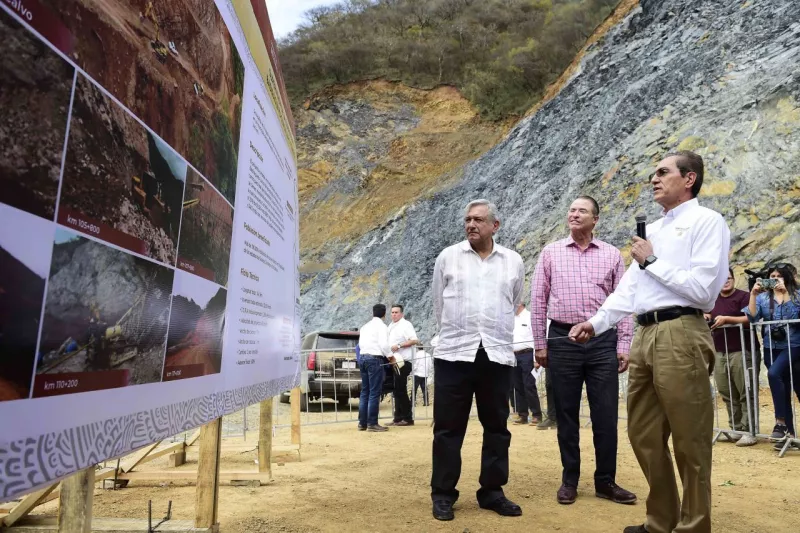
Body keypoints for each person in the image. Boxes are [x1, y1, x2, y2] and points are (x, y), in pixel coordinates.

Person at [569, 151, 731, 533]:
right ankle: (661, 521)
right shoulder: (653, 232)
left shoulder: (708, 222)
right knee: (642, 432)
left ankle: (693, 526)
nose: (654, 179)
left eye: (663, 172)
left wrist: (653, 261)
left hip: (682, 331)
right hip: (644, 333)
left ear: (689, 179)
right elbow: (629, 289)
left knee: (690, 439)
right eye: (653, 174)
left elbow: (705, 290)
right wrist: (596, 322)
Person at [531, 195, 636, 506]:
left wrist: (624, 343)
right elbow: (538, 300)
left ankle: (605, 481)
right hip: (562, 340)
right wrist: (540, 343)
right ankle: (570, 480)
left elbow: (624, 303)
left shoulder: (612, 255)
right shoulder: (550, 253)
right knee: (565, 414)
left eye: (582, 211)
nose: (574, 215)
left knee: (605, 414)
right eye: (572, 210)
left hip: (602, 341)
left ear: (595, 220)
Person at [430, 199, 525, 521]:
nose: (471, 225)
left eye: (479, 220)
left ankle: (492, 492)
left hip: (496, 354)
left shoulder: (512, 261)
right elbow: (438, 307)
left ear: (494, 226)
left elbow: (513, 302)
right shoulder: (448, 257)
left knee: (497, 428)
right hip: (454, 354)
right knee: (447, 429)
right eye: (468, 220)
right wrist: (455, 335)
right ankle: (443, 494)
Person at [744, 263, 800, 451]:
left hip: (793, 345)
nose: (775, 279)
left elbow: (796, 315)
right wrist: (753, 294)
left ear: (787, 278)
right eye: (772, 276)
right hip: (771, 346)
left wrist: (785, 294)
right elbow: (752, 317)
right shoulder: (763, 298)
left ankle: (780, 421)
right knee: (782, 388)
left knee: (774, 374)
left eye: (779, 276)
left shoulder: (796, 295)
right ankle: (790, 435)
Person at [704, 268, 759, 447]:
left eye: (729, 278)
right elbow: (706, 316)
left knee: (746, 391)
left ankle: (750, 430)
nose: (726, 281)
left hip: (742, 350)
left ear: (734, 279)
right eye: (723, 279)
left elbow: (750, 317)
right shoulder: (711, 300)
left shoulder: (743, 296)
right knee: (727, 391)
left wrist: (727, 319)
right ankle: (736, 427)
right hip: (720, 351)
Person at [357, 304, 395, 432]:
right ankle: (372, 423)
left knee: (365, 392)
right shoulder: (382, 326)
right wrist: (391, 357)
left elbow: (360, 344)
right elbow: (384, 344)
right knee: (374, 392)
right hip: (374, 359)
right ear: (384, 314)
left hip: (363, 358)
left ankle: (362, 423)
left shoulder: (365, 327)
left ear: (373, 313)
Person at [511, 302, 542, 425]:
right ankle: (522, 415)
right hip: (514, 355)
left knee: (529, 385)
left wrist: (536, 358)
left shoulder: (530, 316)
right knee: (517, 386)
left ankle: (536, 414)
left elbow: (536, 337)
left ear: (520, 303)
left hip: (527, 354)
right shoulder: (511, 318)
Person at [387, 304, 419, 426]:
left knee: (401, 389)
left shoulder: (406, 325)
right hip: (395, 361)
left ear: (402, 314)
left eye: (396, 312)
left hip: (404, 361)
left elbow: (414, 340)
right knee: (396, 390)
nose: (394, 314)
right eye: (392, 312)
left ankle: (407, 418)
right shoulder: (390, 326)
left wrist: (399, 345)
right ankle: (398, 417)